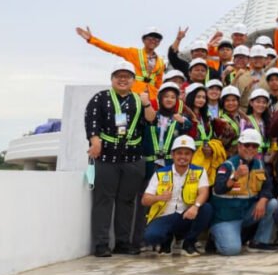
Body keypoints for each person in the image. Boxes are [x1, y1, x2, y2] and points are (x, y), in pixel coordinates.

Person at [85, 61, 151, 257]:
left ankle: (122, 242)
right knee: (103, 200)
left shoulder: (138, 100)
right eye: (119, 76)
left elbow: (150, 120)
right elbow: (92, 120)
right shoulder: (101, 98)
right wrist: (94, 140)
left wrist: (147, 103)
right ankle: (101, 244)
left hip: (133, 157)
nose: (123, 80)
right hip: (107, 155)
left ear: (133, 80)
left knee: (127, 201)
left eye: (127, 76)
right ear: (112, 79)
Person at [141, 135, 213, 257]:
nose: (183, 157)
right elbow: (145, 200)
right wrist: (159, 197)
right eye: (179, 153)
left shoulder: (199, 171)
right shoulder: (160, 173)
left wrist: (195, 206)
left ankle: (188, 243)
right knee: (151, 237)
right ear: (172, 155)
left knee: (206, 208)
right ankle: (166, 240)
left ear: (192, 155)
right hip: (164, 216)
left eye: (187, 153)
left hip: (186, 215)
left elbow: (204, 192)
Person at [209, 129, 278, 255]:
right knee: (231, 250)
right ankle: (215, 237)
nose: (250, 148)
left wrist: (263, 200)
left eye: (254, 146)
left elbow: (268, 187)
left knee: (272, 203)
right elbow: (218, 188)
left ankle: (259, 242)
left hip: (247, 213)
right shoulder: (227, 166)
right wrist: (235, 176)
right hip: (226, 217)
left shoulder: (260, 165)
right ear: (239, 146)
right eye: (247, 145)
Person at [76, 26, 167, 100]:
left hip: (151, 97)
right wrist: (91, 39)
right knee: (127, 115)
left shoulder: (161, 62)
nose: (153, 41)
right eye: (150, 38)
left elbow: (158, 82)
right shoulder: (133, 52)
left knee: (151, 117)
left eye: (157, 39)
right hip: (133, 93)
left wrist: (159, 95)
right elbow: (112, 49)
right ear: (143, 40)